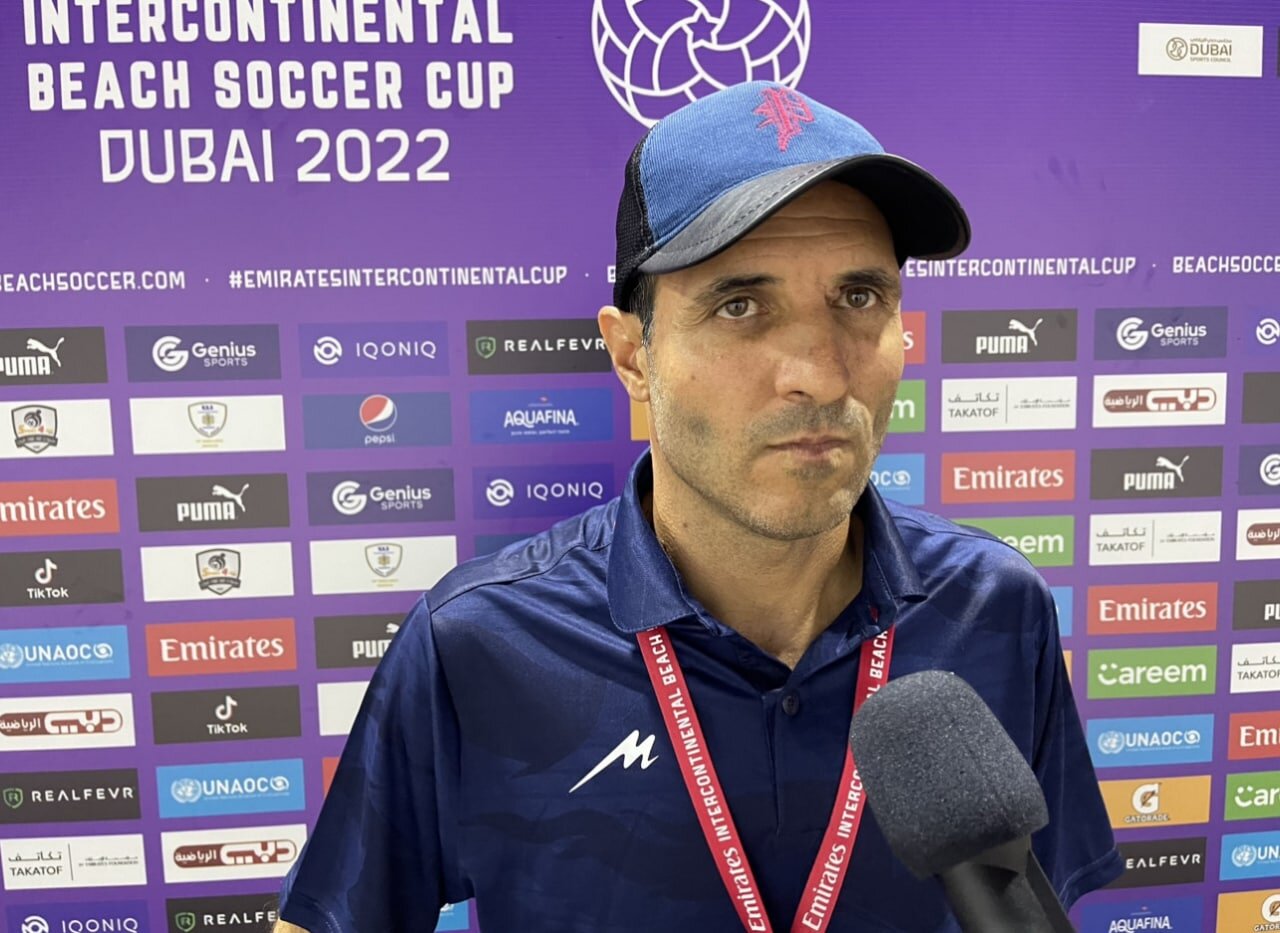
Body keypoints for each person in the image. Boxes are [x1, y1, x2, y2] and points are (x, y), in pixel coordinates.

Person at [275, 81, 1121, 933]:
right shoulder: (477, 643)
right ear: (632, 356)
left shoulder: (995, 606)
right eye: (740, 306)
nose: (819, 374)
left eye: (859, 297)